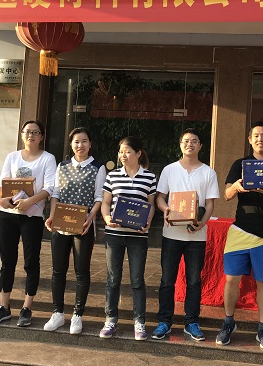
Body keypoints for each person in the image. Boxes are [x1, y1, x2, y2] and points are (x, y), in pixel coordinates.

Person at [217, 121, 263, 350]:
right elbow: (227, 195)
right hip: (240, 230)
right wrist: (237, 186)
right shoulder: (240, 165)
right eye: (256, 136)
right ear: (250, 140)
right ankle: (228, 322)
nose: (260, 139)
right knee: (231, 280)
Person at [151, 128, 219, 341]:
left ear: (201, 146)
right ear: (180, 145)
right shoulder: (169, 170)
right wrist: (166, 210)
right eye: (186, 141)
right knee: (167, 280)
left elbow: (210, 204)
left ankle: (191, 322)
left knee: (194, 281)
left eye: (194, 141)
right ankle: (164, 321)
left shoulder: (208, 172)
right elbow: (160, 197)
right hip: (171, 234)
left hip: (196, 236)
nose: (190, 144)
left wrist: (202, 224)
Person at [0, 120, 57, 327]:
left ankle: (26, 308)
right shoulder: (12, 156)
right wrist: (0, 200)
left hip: (32, 216)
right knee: (7, 262)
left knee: (30, 262)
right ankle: (4, 307)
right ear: (21, 134)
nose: (31, 135)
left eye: (35, 132)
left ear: (41, 136)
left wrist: (30, 202)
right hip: (8, 215)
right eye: (27, 132)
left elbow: (49, 188)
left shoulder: (48, 158)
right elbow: (2, 183)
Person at [44, 127, 106, 334]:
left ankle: (77, 314)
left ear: (90, 144)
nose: (80, 145)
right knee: (58, 270)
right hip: (61, 226)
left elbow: (99, 197)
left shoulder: (98, 167)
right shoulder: (62, 166)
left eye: (84, 141)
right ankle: (57, 313)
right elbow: (55, 193)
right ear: (71, 144)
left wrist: (90, 217)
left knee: (81, 271)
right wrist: (52, 216)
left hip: (83, 226)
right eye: (76, 141)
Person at [99, 136, 156, 341]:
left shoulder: (149, 177)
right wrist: (107, 218)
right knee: (113, 279)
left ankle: (139, 322)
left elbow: (151, 204)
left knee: (137, 280)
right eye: (121, 152)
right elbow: (106, 202)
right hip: (114, 234)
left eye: (128, 152)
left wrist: (148, 221)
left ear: (138, 153)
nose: (123, 155)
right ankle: (110, 319)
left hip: (137, 236)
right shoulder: (113, 175)